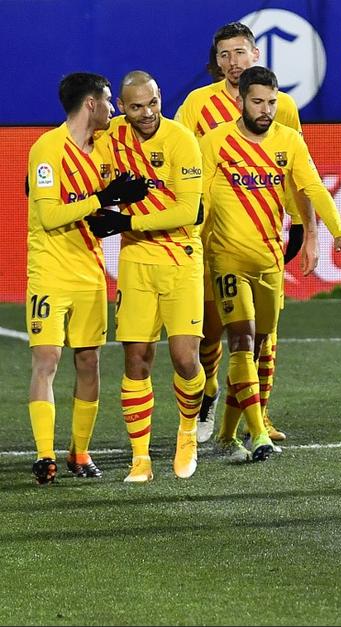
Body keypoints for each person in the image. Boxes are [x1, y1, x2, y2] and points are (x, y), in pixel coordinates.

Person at [199, 66, 341, 461]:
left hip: (269, 260)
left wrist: (337, 231)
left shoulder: (290, 142)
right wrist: (192, 244)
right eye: (258, 102)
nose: (266, 109)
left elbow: (312, 187)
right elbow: (201, 202)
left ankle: (227, 436)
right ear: (240, 100)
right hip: (226, 259)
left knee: (261, 342)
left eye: (271, 102)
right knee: (242, 340)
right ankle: (258, 434)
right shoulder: (215, 142)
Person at [175, 22, 303, 447]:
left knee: (262, 335)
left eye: (240, 53)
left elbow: (296, 173)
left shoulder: (281, 106)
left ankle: (259, 416)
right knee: (212, 331)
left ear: (256, 54)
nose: (232, 63)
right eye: (224, 55)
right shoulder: (197, 104)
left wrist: (307, 230)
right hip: (212, 240)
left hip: (264, 238)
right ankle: (210, 392)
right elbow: (182, 164)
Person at [25, 72, 148, 484]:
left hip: (91, 272)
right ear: (91, 104)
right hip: (49, 272)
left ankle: (80, 453)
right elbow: (49, 214)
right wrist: (103, 198)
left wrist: (115, 212)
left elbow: (92, 218)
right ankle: (45, 455)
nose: (114, 108)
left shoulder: (105, 151)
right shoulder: (47, 149)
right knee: (47, 358)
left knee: (89, 361)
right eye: (109, 101)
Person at [85, 71, 205, 482]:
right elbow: (76, 143)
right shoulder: (111, 136)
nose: (148, 113)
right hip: (136, 259)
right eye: (137, 106)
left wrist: (125, 219)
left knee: (185, 358)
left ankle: (187, 433)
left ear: (160, 97)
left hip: (182, 258)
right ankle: (141, 458)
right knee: (136, 359)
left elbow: (188, 211)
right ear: (121, 106)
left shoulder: (181, 141)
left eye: (153, 102)